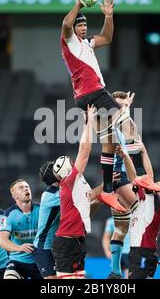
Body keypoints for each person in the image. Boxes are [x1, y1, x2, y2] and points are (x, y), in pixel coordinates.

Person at [60, 0, 159, 213]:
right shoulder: (68, 40)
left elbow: (107, 38)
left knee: (110, 143)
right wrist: (77, 4)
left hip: (86, 98)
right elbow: (66, 23)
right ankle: (142, 177)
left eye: (85, 24)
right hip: (94, 92)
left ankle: (106, 191)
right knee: (129, 124)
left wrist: (108, 16)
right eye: (80, 24)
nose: (83, 27)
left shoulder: (85, 44)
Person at [116, 143, 160, 279]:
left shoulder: (154, 201)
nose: (154, 184)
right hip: (142, 252)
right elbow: (135, 180)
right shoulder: (147, 201)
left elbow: (147, 177)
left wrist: (143, 152)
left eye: (158, 184)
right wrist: (125, 157)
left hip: (142, 251)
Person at [51, 105, 96, 279]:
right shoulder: (70, 181)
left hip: (77, 240)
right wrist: (89, 122)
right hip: (67, 242)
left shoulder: (75, 184)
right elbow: (84, 151)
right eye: (70, 162)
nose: (73, 162)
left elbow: (90, 197)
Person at [0, 179, 42, 279]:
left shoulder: (41, 210)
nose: (26, 189)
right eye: (21, 187)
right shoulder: (9, 215)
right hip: (18, 261)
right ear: (15, 195)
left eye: (27, 187)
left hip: (41, 260)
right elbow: (1, 239)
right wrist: (20, 248)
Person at [32, 161, 61, 279]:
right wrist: (105, 185)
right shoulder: (51, 195)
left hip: (55, 247)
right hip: (43, 248)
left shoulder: (57, 192)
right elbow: (86, 197)